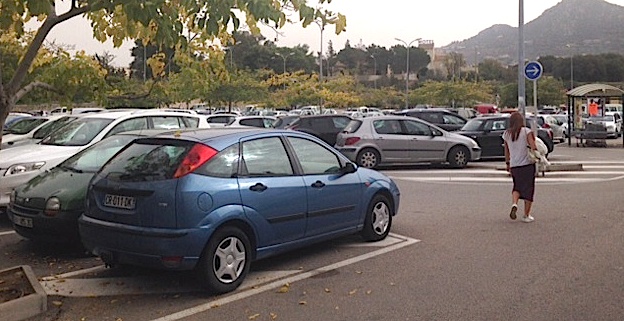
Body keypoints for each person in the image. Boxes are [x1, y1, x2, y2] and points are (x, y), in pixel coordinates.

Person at [503, 112, 538, 223]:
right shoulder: (526, 132)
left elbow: (506, 150)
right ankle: (526, 215)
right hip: (527, 165)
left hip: (514, 165)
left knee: (516, 187)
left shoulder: (507, 134)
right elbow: (533, 147)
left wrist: (507, 163)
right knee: (528, 189)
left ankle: (514, 204)